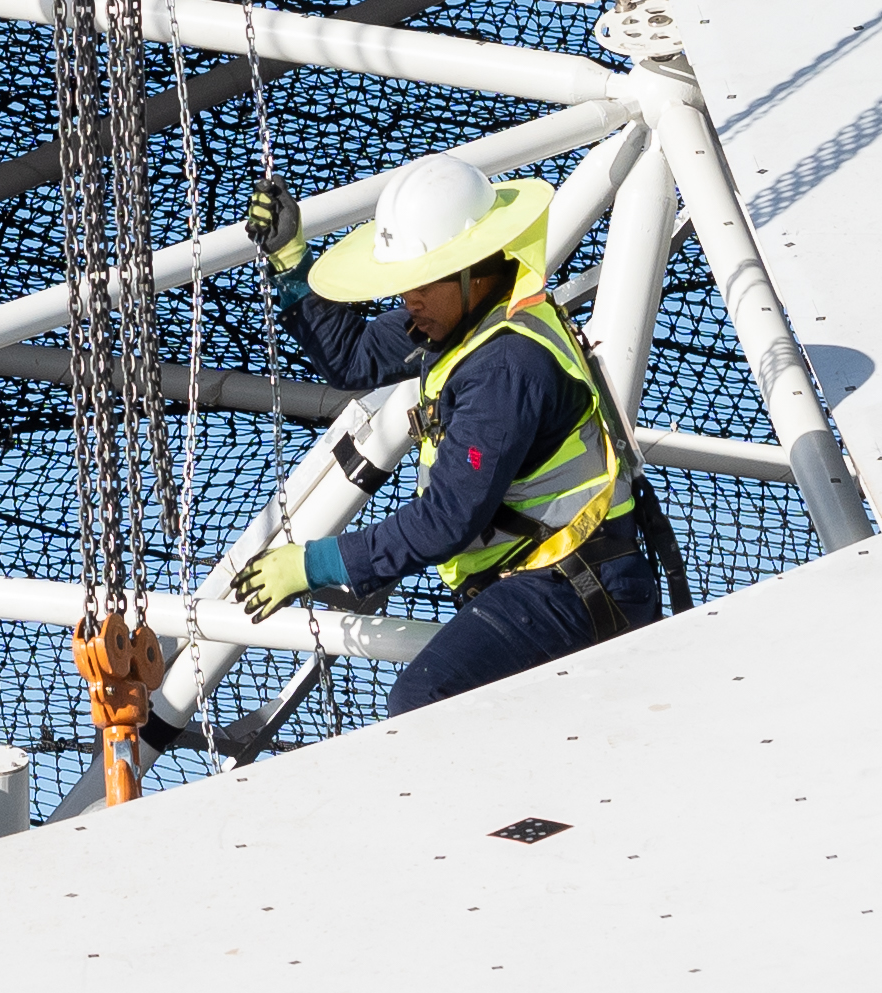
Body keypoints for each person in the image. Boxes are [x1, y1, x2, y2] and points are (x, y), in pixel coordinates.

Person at [221, 149, 666, 713]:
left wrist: (313, 566)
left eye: (422, 283)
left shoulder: (507, 367)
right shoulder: (463, 321)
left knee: (425, 700)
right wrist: (291, 265)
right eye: (404, 284)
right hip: (544, 583)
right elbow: (354, 357)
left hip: (573, 587)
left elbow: (447, 520)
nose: (410, 302)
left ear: (471, 267)